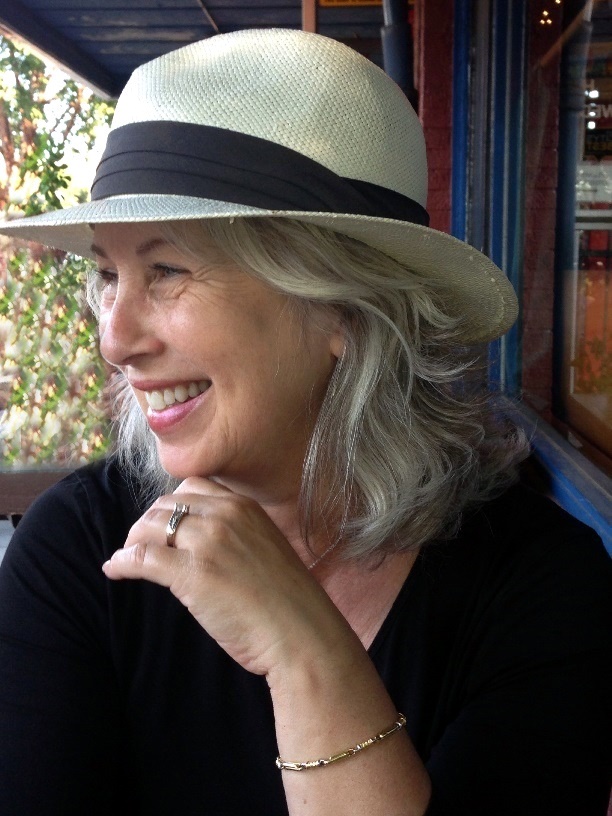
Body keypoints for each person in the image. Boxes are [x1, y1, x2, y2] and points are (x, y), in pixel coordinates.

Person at [0, 28, 610, 816]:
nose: (114, 340)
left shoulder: (539, 585)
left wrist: (302, 650)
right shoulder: (82, 550)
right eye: (108, 274)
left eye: (167, 270)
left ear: (343, 309)